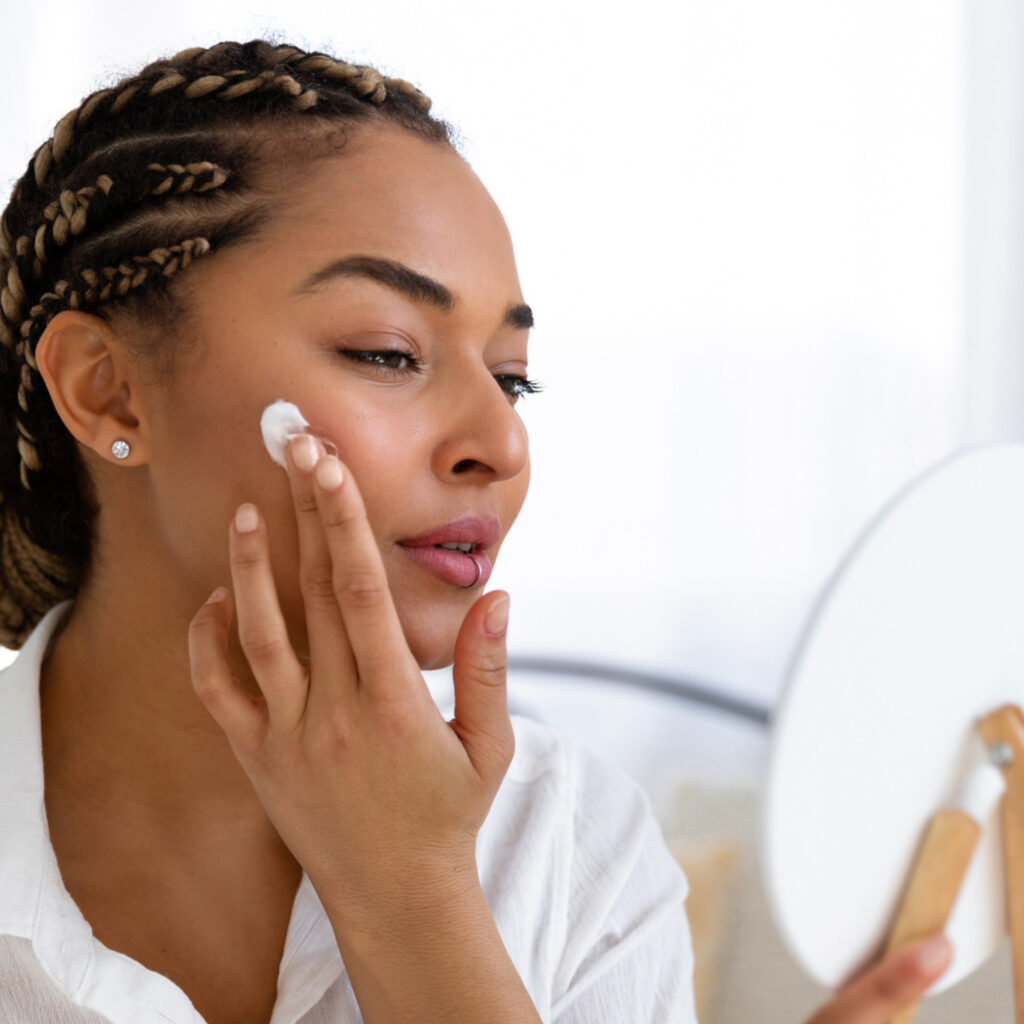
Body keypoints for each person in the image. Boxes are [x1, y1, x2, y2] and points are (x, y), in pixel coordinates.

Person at [0, 39, 951, 1024]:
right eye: (387, 352)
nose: (501, 440)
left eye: (511, 377)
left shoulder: (575, 850)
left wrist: (408, 891)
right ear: (107, 392)